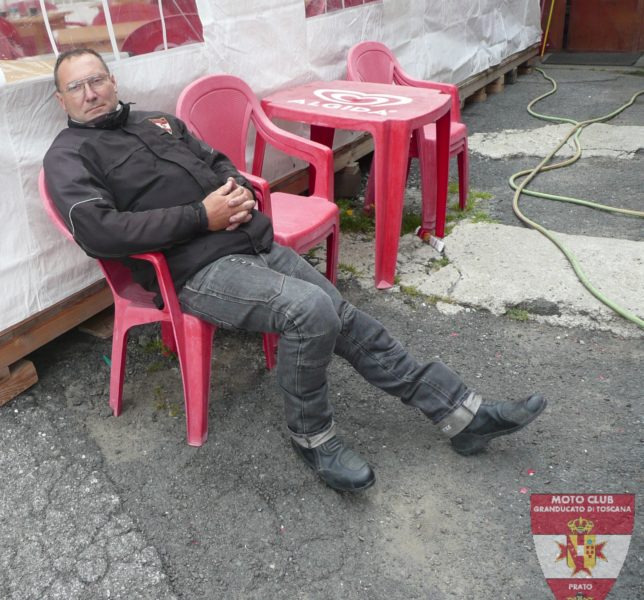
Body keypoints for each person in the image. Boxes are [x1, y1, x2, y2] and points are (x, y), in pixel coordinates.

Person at [42, 49, 546, 492]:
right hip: (193, 271)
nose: (90, 93)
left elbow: (216, 160)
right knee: (309, 311)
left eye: (97, 80)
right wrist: (202, 216)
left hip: (248, 239)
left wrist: (234, 188)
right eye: (76, 87)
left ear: (113, 82)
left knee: (343, 316)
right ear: (62, 101)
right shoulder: (70, 156)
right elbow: (98, 231)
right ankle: (313, 437)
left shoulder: (157, 122)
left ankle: (461, 414)